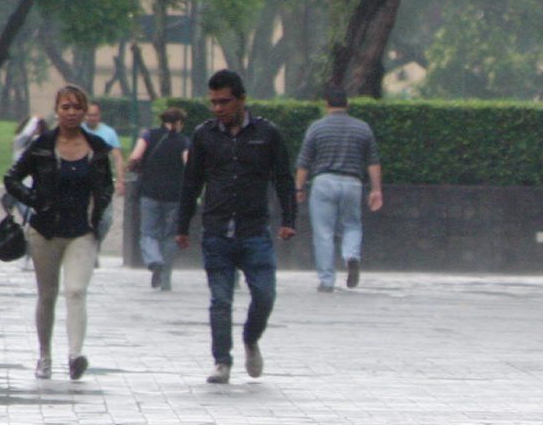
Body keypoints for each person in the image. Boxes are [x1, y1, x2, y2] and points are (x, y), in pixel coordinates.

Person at [175, 68, 296, 385]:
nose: (218, 109)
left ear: (242, 100)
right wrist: (182, 224)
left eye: (224, 102)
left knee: (265, 294)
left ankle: (250, 338)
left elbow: (283, 178)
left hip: (255, 230)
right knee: (220, 300)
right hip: (216, 231)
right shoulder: (204, 136)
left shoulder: (266, 134)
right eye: (213, 103)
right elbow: (191, 182)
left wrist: (289, 219)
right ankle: (221, 361)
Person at [2, 85, 115, 380]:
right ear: (57, 110)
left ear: (84, 110)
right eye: (66, 107)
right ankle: (45, 355)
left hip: (82, 231)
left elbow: (106, 186)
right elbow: (12, 178)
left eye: (77, 107)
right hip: (45, 231)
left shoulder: (97, 147)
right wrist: (34, 201)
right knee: (47, 295)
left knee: (76, 291)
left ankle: (76, 355)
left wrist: (98, 211)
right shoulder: (42, 145)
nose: (72, 113)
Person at [294, 88, 383, 291]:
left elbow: (304, 162)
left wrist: (299, 187)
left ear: (326, 105)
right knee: (352, 225)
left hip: (324, 182)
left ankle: (327, 280)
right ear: (347, 105)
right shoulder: (363, 128)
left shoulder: (316, 128)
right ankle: (351, 255)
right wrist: (376, 189)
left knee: (323, 232)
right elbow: (373, 162)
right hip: (353, 182)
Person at [128, 105, 191, 290]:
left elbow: (135, 156)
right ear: (178, 122)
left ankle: (154, 260)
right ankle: (165, 281)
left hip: (150, 192)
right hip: (174, 195)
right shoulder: (184, 141)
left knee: (148, 232)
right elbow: (189, 166)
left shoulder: (148, 135)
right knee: (170, 236)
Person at [82, 102, 127, 194]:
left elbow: (118, 158)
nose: (91, 118)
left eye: (94, 115)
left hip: (102, 179)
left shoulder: (109, 133)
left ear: (99, 115)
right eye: (89, 115)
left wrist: (120, 181)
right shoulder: (78, 130)